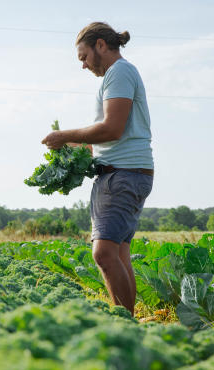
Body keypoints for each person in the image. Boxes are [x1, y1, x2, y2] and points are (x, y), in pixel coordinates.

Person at [41, 22, 154, 315]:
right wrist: (67, 151)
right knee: (118, 253)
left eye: (84, 57)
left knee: (103, 253)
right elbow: (102, 141)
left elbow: (112, 129)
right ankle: (128, 320)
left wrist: (65, 135)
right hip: (127, 172)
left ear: (101, 45)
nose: (84, 65)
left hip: (123, 175)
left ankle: (124, 324)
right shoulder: (120, 75)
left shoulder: (119, 72)